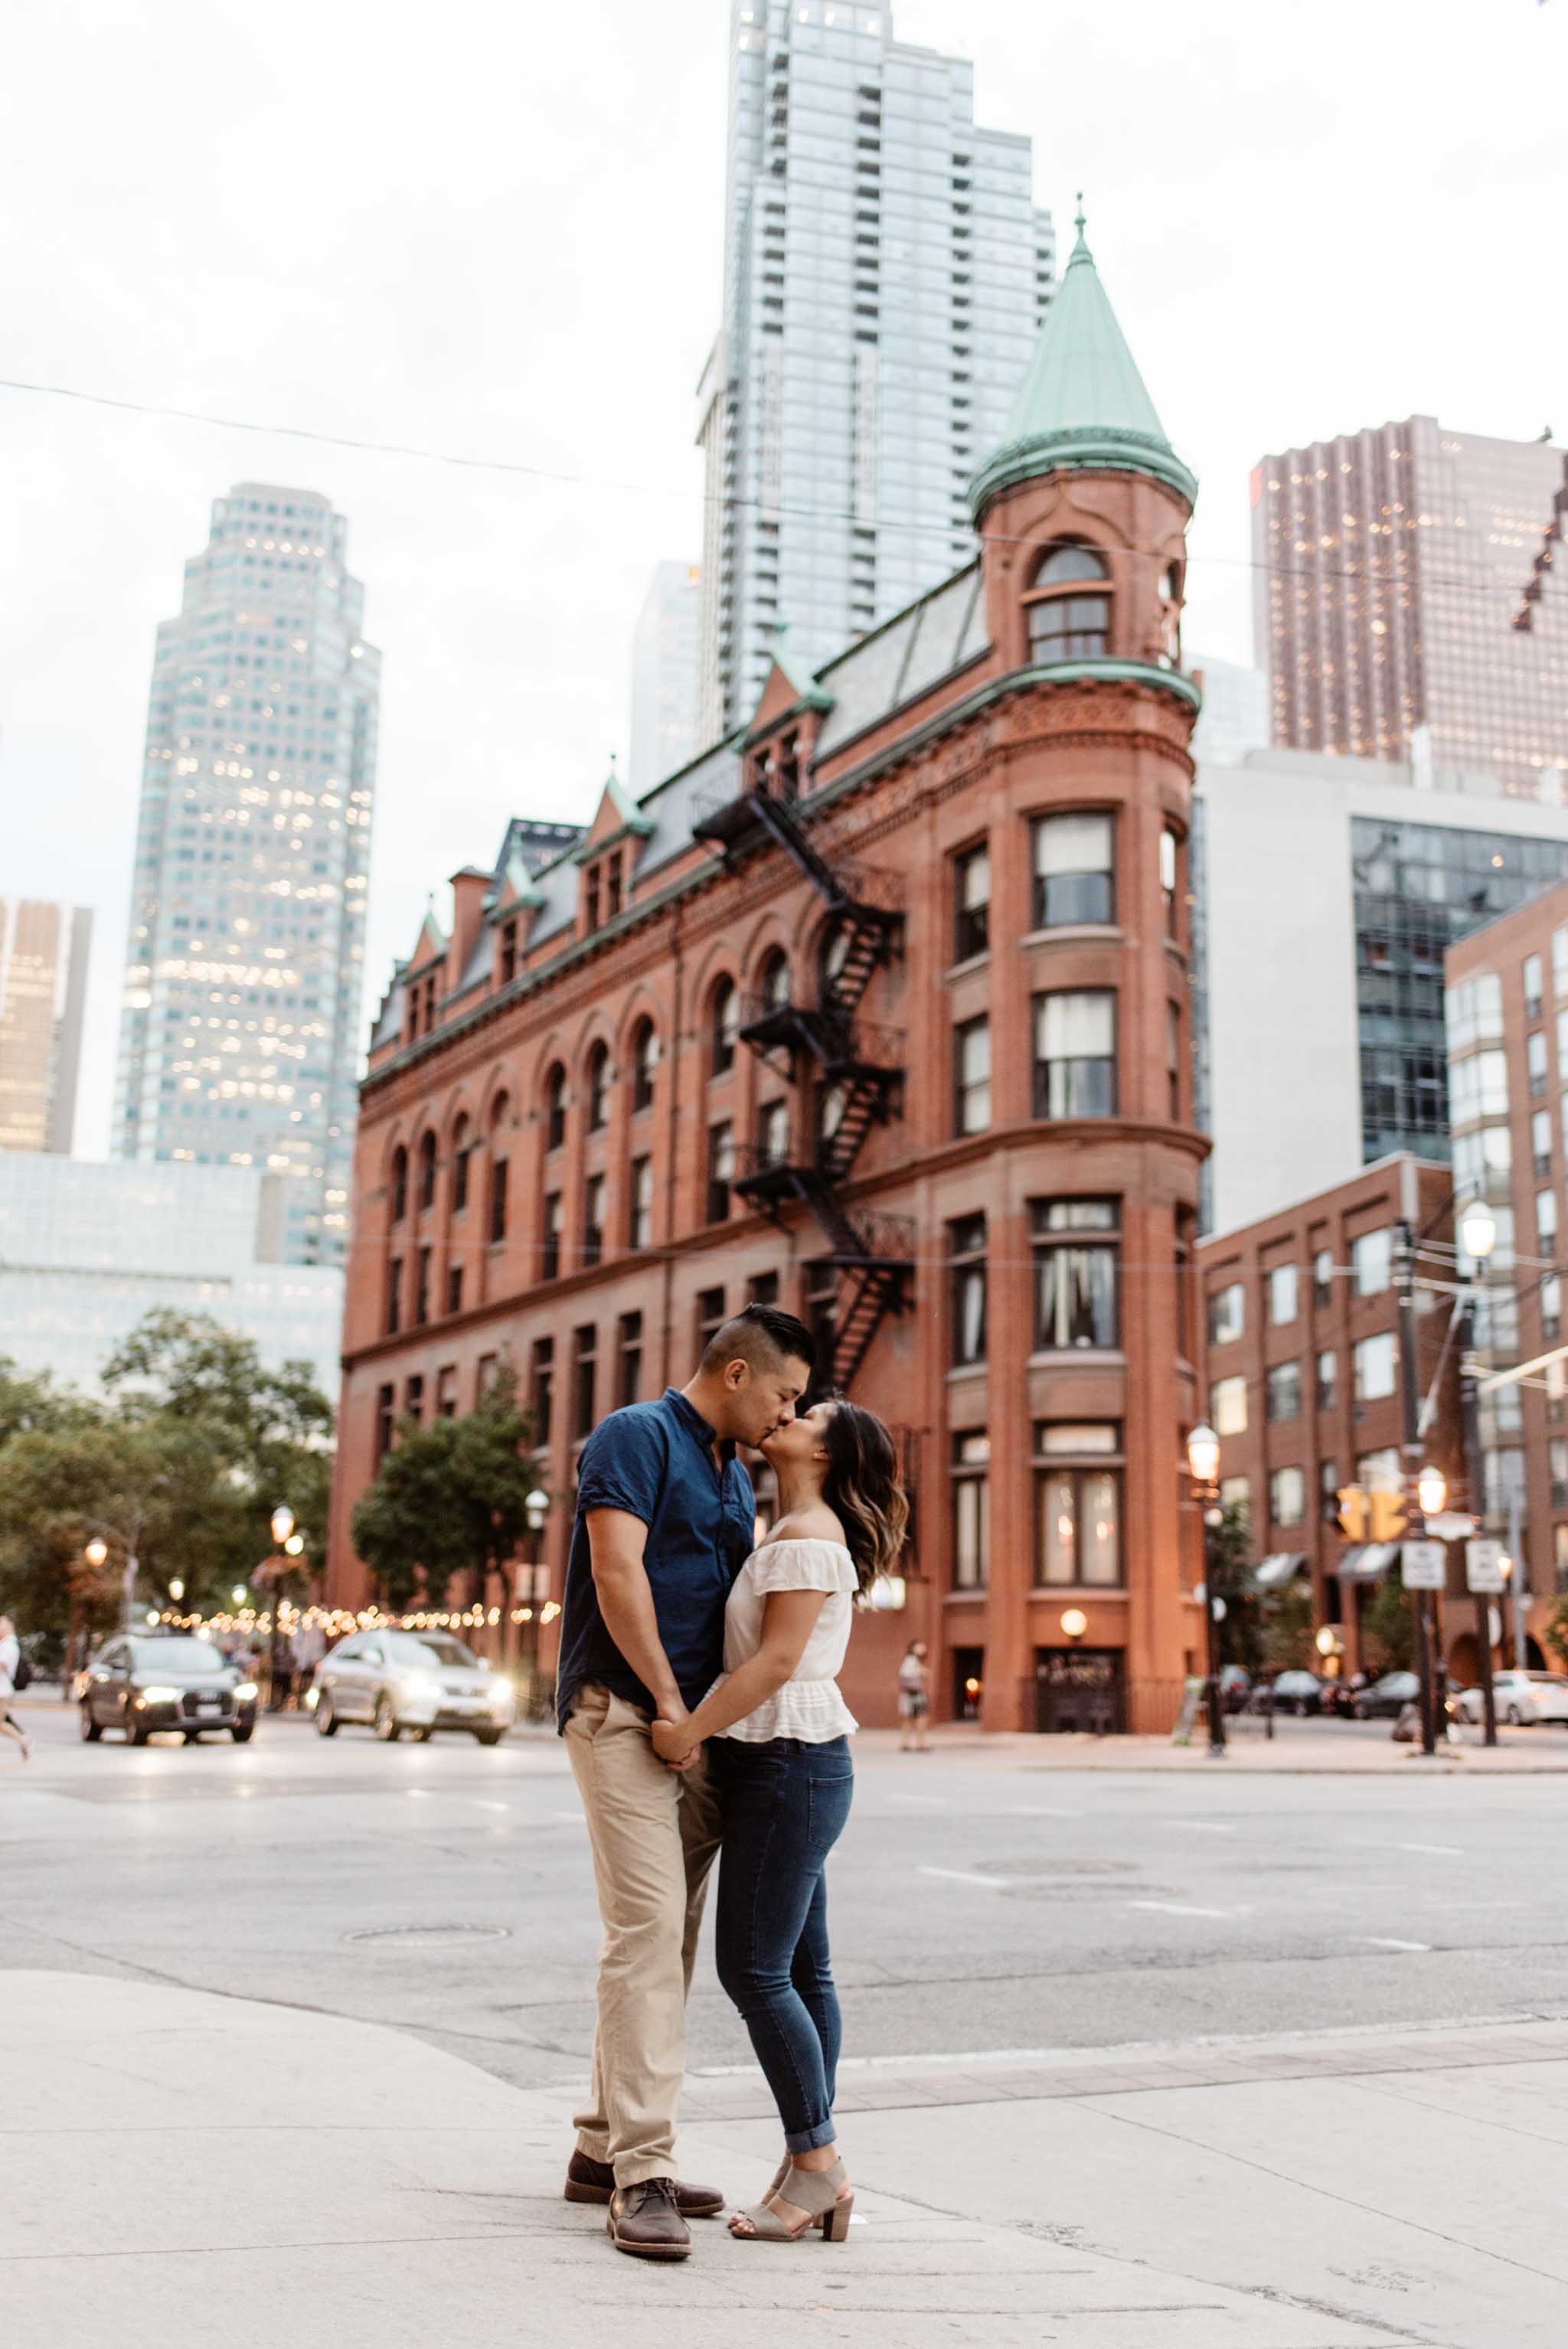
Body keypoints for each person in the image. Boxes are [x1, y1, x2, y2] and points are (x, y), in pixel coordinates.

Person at [556, 1303, 816, 2262]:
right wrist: (671, 1707)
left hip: (687, 1733)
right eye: (784, 1393)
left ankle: (598, 2147)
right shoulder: (634, 1435)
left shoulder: (731, 1468)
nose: (787, 1414)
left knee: (663, 1939)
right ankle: (641, 2173)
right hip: (624, 1711)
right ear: (738, 1372)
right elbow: (617, 1573)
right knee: (647, 1930)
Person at [652, 1393, 907, 2246]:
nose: (787, 1414)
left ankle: (819, 2160)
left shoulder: (806, 1539)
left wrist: (687, 1729)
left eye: (809, 1416)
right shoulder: (793, 1529)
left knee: (754, 1971)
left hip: (787, 1761)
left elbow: (773, 1661)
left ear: (827, 1455)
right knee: (803, 1971)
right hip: (792, 1761)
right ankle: (810, 2165)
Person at [0, 1613, 31, 1763]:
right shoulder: (5, 1644)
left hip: (2, 1691)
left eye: (2, 1622)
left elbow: (3, 1664)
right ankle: (23, 1740)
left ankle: (24, 1740)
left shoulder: (9, 1645)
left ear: (10, 1626)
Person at [897, 1638, 931, 1751]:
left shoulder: (913, 1660)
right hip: (914, 1694)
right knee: (920, 1718)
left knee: (909, 1719)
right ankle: (921, 1744)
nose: (923, 1649)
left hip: (909, 1694)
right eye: (920, 1647)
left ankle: (905, 1743)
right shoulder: (911, 1660)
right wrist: (922, 1672)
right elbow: (906, 1674)